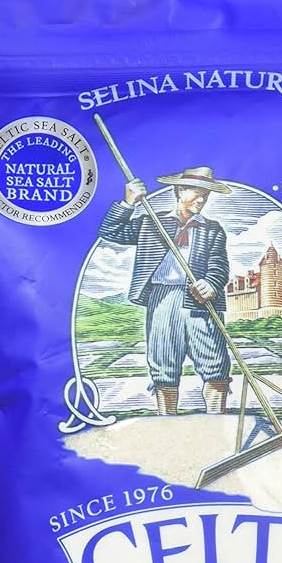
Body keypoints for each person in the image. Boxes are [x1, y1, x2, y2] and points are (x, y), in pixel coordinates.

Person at [98, 167, 232, 415]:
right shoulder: (151, 222)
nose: (202, 200)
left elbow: (219, 265)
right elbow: (110, 231)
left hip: (200, 303)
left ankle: (217, 421)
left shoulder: (212, 229)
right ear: (179, 191)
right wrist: (128, 203)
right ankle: (166, 423)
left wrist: (211, 283)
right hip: (162, 300)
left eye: (206, 195)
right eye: (197, 193)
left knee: (215, 364)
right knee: (163, 364)